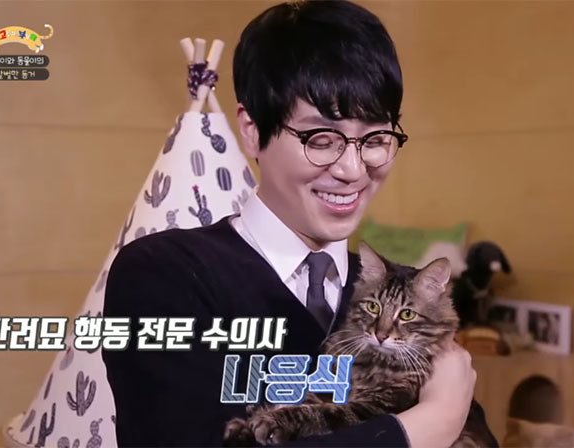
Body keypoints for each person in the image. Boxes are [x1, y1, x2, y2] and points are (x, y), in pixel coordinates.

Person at [102, 1, 496, 447]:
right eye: (321, 139)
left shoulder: (389, 292)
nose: (352, 169)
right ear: (253, 131)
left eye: (376, 138)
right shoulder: (163, 274)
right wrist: (431, 421)